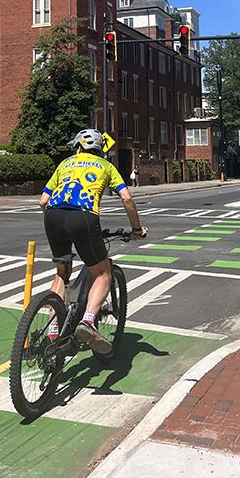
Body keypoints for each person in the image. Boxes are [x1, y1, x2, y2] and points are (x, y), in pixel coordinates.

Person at [40, 128, 146, 354]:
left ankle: (52, 330)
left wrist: (58, 222)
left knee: (61, 272)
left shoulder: (65, 163)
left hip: (53, 215)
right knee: (103, 272)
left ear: (79, 147)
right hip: (84, 218)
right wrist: (136, 229)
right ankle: (87, 322)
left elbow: (43, 201)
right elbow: (126, 197)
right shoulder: (107, 166)